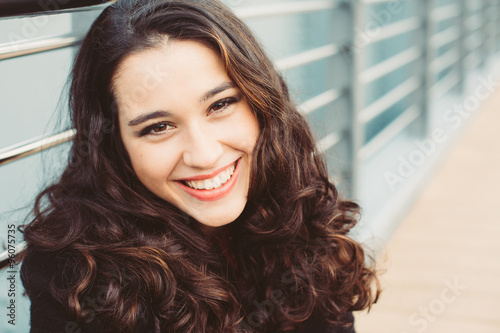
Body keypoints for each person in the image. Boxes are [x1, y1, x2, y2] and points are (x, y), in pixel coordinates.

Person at [19, 0, 380, 332]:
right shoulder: (73, 274)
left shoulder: (297, 205)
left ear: (260, 104)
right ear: (114, 147)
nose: (204, 155)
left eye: (220, 105)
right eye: (158, 127)